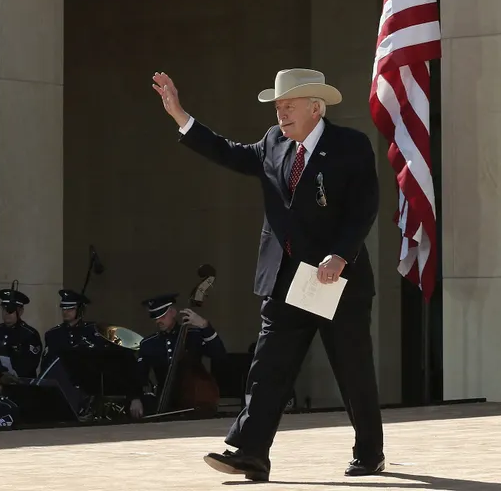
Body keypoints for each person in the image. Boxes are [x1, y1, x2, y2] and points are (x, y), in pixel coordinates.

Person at [151, 68, 384, 482]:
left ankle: (369, 452)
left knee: (353, 370)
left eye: (289, 106)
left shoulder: (350, 145)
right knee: (268, 369)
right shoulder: (273, 142)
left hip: (335, 282)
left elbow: (364, 207)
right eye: (278, 107)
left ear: (316, 108)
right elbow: (228, 152)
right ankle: (251, 453)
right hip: (285, 280)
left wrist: (340, 255)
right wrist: (181, 116)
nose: (281, 114)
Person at [128, 293, 227, 418]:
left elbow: (219, 355)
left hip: (196, 400)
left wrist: (205, 326)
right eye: (155, 317)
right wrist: (135, 398)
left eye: (162, 316)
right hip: (165, 402)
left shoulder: (193, 334)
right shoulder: (149, 344)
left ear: (173, 312)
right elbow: (139, 375)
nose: (158, 321)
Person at [0, 287, 43, 378]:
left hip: (22, 382)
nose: (7, 313)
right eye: (4, 309)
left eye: (10, 310)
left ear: (20, 311)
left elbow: (30, 364)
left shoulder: (30, 335)